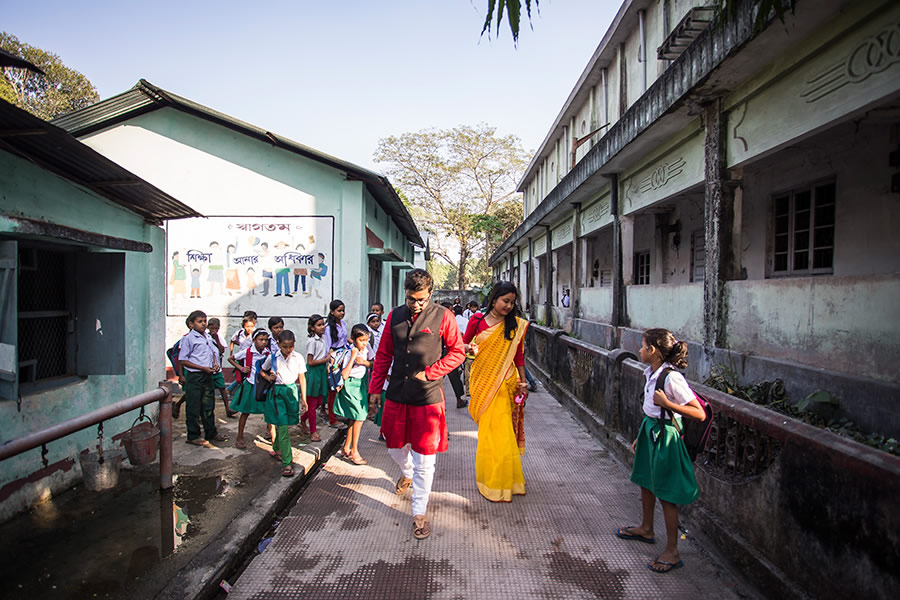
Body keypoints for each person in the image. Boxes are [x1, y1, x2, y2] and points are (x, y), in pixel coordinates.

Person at [368, 269, 465, 540]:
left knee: (426, 459)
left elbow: (458, 352)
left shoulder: (443, 317)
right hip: (397, 392)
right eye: (412, 299)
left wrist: (432, 372)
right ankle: (406, 472)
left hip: (428, 397)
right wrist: (375, 389)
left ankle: (419, 512)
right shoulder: (394, 316)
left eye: (422, 300)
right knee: (394, 447)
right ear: (406, 295)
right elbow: (384, 353)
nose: (417, 305)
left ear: (430, 294)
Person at [615, 328, 705, 574]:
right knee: (646, 481)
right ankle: (646, 527)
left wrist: (668, 404)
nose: (640, 350)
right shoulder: (652, 372)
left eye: (643, 346)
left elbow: (699, 413)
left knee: (666, 494)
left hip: (665, 436)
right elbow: (650, 411)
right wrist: (640, 437)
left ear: (653, 350)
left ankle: (673, 551)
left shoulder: (672, 377)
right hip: (650, 431)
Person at [463, 281, 529, 502]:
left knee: (500, 434)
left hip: (507, 383)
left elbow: (518, 356)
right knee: (488, 434)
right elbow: (462, 346)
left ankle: (502, 482)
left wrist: (523, 381)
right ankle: (492, 480)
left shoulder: (516, 325)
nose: (509, 306)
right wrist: (469, 349)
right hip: (482, 381)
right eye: (505, 301)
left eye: (512, 302)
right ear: (493, 300)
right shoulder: (477, 321)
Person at [259, 330, 308, 477]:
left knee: (287, 422)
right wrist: (269, 378)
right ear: (278, 344)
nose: (288, 350)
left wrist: (304, 399)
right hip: (276, 393)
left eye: (291, 346)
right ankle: (287, 463)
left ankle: (276, 447)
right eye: (285, 346)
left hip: (291, 392)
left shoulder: (298, 357)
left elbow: (302, 379)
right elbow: (262, 371)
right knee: (282, 426)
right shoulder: (273, 358)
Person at [177, 310, 228, 446]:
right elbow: (183, 359)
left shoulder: (207, 337)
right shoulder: (188, 338)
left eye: (204, 321)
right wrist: (201, 368)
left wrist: (215, 363)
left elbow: (214, 352)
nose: (203, 324)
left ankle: (211, 432)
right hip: (195, 376)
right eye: (200, 322)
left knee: (208, 405)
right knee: (193, 406)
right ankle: (193, 435)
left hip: (208, 375)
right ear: (191, 324)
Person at [334, 324, 374, 464]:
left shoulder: (367, 348)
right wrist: (353, 357)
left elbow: (373, 363)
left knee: (354, 418)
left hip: (361, 383)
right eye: (361, 340)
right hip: (350, 385)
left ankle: (346, 447)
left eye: (366, 340)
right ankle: (354, 451)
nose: (364, 343)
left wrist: (364, 362)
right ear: (353, 339)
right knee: (360, 416)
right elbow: (344, 375)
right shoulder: (349, 351)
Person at [228, 328, 271, 449]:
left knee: (268, 411)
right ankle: (240, 436)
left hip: (262, 386)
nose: (263, 342)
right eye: (260, 340)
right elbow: (230, 358)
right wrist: (241, 368)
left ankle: (270, 434)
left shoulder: (267, 353)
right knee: (245, 412)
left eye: (265, 340)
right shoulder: (248, 352)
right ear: (254, 340)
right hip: (250, 384)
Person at [302, 314, 330, 442]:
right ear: (312, 328)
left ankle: (302, 420)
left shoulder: (323, 338)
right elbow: (310, 362)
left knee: (319, 401)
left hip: (322, 371)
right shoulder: (312, 341)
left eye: (323, 324)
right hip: (314, 372)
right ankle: (313, 431)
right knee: (312, 403)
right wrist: (325, 359)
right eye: (319, 325)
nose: (322, 327)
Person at [323, 300, 348, 428]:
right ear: (332, 312)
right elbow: (328, 346)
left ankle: (338, 412)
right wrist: (331, 362)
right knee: (334, 388)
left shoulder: (342, 323)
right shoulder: (328, 328)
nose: (342, 313)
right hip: (334, 358)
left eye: (343, 310)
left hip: (344, 354)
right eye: (339, 310)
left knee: (342, 386)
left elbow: (344, 339)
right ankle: (332, 419)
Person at [207, 318, 237, 417]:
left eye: (216, 328)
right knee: (206, 393)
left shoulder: (219, 338)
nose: (214, 330)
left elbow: (222, 350)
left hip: (217, 369)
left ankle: (227, 409)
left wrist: (216, 338)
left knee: (222, 388)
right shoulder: (204, 338)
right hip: (207, 370)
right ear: (208, 327)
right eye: (212, 328)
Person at [448, 305, 468, 409]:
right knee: (454, 377)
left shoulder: (451, 320)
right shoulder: (447, 320)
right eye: (451, 309)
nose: (452, 311)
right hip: (448, 351)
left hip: (446, 351)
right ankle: (459, 399)